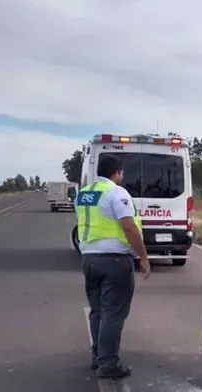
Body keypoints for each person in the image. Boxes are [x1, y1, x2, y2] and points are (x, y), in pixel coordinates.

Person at [75, 154, 152, 379]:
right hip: (115, 260)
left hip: (89, 258)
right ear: (117, 172)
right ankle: (108, 363)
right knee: (113, 312)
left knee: (98, 310)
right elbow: (128, 227)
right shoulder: (116, 193)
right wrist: (144, 258)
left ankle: (98, 356)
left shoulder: (84, 194)